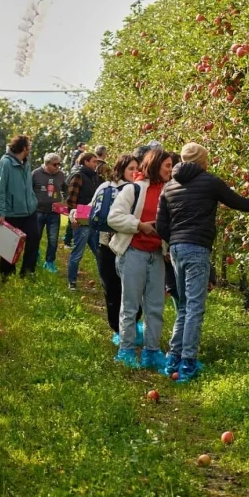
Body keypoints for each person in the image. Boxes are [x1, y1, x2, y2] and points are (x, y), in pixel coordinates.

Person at [157, 142, 249, 382]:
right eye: (206, 159)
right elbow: (238, 202)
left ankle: (172, 360)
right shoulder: (209, 181)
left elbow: (161, 225)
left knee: (184, 305)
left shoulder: (169, 186)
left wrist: (177, 240)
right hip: (197, 247)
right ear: (201, 161)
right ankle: (188, 364)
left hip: (176, 249)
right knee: (195, 307)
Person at [107, 147, 173, 370]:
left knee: (155, 306)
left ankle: (151, 352)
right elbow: (113, 217)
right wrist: (139, 226)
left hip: (156, 255)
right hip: (133, 252)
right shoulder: (133, 189)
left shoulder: (169, 191)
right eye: (167, 166)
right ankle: (125, 350)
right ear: (155, 165)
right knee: (130, 304)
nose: (171, 170)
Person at [92, 155, 144, 346]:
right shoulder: (105, 187)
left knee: (134, 289)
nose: (134, 172)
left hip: (131, 246)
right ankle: (117, 328)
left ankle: (133, 324)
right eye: (131, 168)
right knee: (112, 288)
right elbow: (92, 209)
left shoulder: (140, 189)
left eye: (137, 168)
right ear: (121, 169)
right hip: (106, 245)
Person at [0, 135, 40, 278]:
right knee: (10, 244)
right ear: (24, 148)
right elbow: (0, 189)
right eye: (29, 145)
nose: (30, 148)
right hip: (13, 212)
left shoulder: (25, 162)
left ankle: (27, 271)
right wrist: (1, 212)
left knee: (34, 238)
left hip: (30, 211)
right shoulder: (6, 163)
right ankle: (6, 273)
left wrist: (33, 201)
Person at [66, 152, 100, 290]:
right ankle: (72, 282)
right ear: (86, 162)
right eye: (93, 161)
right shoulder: (79, 176)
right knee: (77, 253)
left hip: (93, 221)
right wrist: (73, 217)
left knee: (100, 253)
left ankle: (105, 281)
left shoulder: (93, 177)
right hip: (81, 221)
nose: (95, 164)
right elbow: (71, 199)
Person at [31, 153, 67, 273]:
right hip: (38, 212)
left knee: (53, 239)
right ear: (46, 164)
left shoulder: (61, 175)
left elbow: (66, 189)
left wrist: (65, 202)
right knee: (35, 237)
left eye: (59, 164)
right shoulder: (35, 174)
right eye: (55, 164)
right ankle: (35, 256)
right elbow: (29, 191)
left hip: (54, 213)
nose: (58, 167)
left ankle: (50, 262)